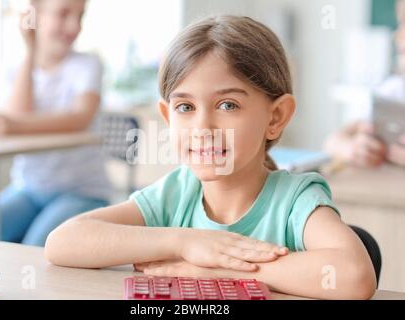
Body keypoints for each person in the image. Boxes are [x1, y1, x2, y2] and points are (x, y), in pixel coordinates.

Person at [44, 15, 376, 299]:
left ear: (275, 117)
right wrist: (185, 242)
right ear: (167, 115)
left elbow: (354, 274)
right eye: (185, 107)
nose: (202, 127)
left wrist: (221, 271)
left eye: (228, 105)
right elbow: (63, 242)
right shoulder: (176, 194)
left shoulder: (294, 200)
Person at [0, 0, 111, 247]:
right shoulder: (17, 69)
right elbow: (20, 113)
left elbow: (80, 119)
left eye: (80, 16)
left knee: (36, 245)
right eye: (63, 14)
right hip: (29, 188)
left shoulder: (88, 64)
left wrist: (14, 125)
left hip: (81, 191)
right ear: (35, 15)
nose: (74, 26)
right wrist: (30, 51)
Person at [324, 0, 405, 168]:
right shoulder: (394, 90)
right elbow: (332, 142)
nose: (396, 35)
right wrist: (352, 149)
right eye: (400, 23)